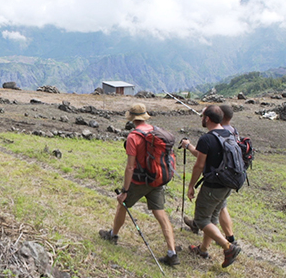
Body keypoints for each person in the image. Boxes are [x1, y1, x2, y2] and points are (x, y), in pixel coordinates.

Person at [99, 103, 179, 266]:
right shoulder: (156, 131)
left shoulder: (133, 137)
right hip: (157, 178)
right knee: (161, 214)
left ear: (132, 119)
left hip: (140, 180)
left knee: (122, 205)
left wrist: (125, 191)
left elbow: (130, 167)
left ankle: (113, 235)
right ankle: (172, 253)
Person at [181, 105, 241, 267]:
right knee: (212, 218)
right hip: (227, 183)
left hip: (213, 185)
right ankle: (203, 249)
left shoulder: (207, 139)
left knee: (201, 220)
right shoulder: (230, 134)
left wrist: (191, 185)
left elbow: (199, 165)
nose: (202, 119)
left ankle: (228, 247)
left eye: (202, 116)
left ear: (207, 119)